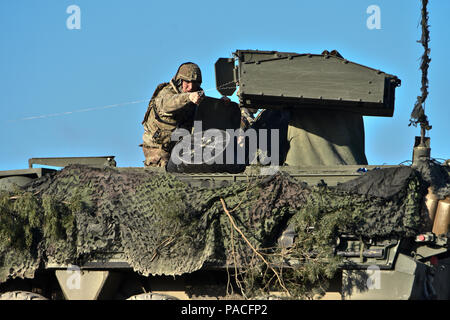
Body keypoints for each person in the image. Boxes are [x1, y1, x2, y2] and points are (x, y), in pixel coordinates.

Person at [141, 62, 204, 167]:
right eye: (187, 82)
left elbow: (205, 112)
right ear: (179, 81)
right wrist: (188, 97)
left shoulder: (196, 97)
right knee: (164, 171)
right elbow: (168, 104)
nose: (190, 87)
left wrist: (221, 104)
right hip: (158, 149)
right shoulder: (166, 93)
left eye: (195, 83)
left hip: (181, 149)